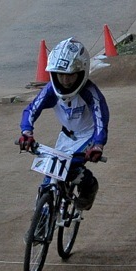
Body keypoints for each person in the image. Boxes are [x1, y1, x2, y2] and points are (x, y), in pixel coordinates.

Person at [17, 38, 108, 211]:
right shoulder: (51, 90)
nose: (65, 81)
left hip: (88, 135)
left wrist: (98, 145)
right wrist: (26, 132)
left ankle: (89, 184)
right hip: (66, 135)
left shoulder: (90, 93)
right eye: (61, 75)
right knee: (50, 174)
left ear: (81, 72)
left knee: (71, 167)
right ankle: (42, 216)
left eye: (70, 75)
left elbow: (101, 120)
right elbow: (31, 109)